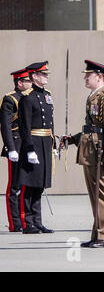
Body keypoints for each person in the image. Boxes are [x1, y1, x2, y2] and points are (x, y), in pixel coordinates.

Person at [61, 60, 104, 248]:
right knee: (94, 194)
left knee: (103, 194)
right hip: (90, 151)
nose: (85, 78)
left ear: (99, 77)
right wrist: (73, 139)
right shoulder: (93, 97)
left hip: (100, 153)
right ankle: (97, 233)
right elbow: (91, 128)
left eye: (89, 75)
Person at [17, 61, 55, 234]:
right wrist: (30, 149)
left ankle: (37, 221)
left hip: (45, 142)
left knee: (40, 184)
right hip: (33, 143)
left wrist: (53, 144)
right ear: (34, 76)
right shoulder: (27, 97)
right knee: (29, 184)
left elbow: (50, 121)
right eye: (43, 74)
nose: (46, 77)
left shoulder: (47, 95)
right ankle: (27, 223)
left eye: (46, 74)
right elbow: (24, 125)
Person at [0, 68, 32, 232]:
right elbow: (5, 126)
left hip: (27, 145)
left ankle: (26, 219)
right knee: (15, 185)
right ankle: (15, 223)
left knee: (27, 184)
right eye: (27, 80)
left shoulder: (30, 98)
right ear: (20, 83)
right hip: (16, 145)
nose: (30, 83)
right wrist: (10, 148)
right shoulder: (10, 100)